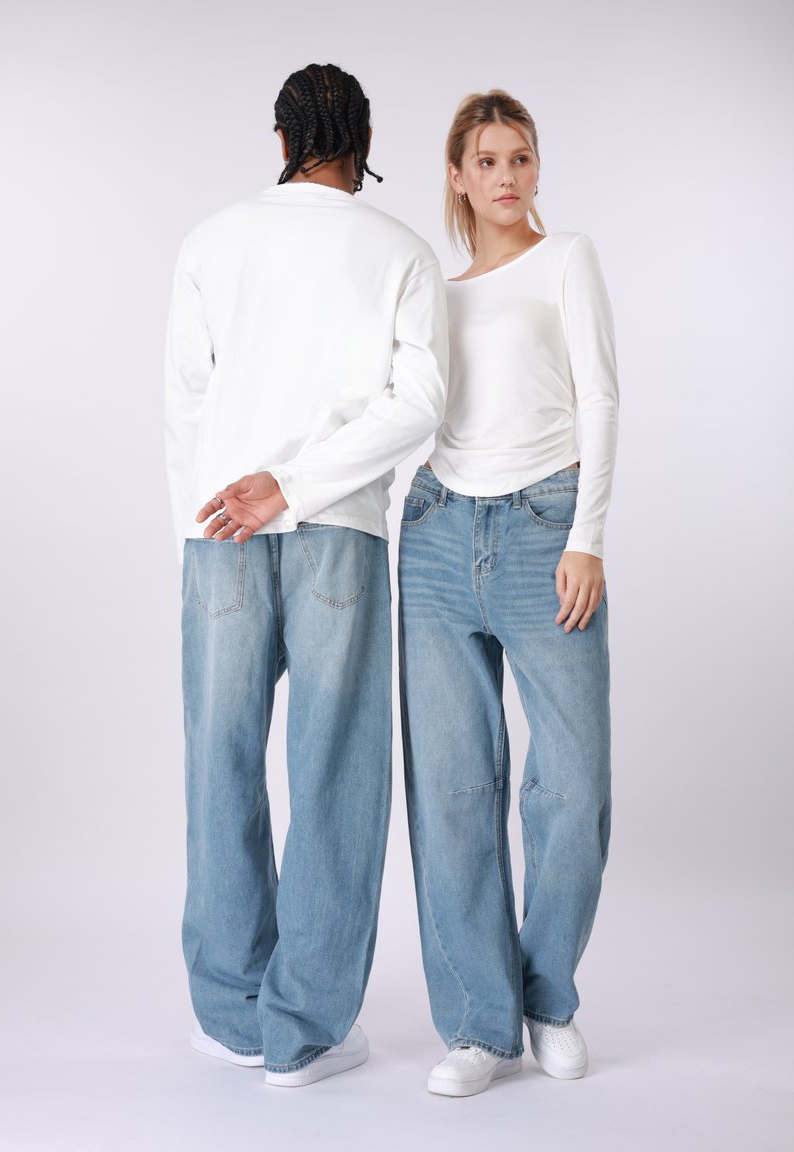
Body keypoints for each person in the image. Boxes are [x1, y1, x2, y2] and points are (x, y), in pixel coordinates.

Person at [164, 62, 447, 1087]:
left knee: (220, 764)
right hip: (339, 531)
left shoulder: (211, 239)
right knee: (335, 772)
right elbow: (419, 402)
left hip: (219, 533)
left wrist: (212, 520)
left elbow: (186, 402)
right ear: (363, 143)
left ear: (281, 139)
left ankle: (231, 1015)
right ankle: (305, 1031)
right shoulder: (400, 250)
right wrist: (294, 486)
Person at [398, 89, 618, 1097]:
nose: (504, 176)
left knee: (570, 786)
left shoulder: (565, 258)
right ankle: (479, 1024)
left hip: (543, 531)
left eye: (519, 157)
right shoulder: (434, 293)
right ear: (456, 175)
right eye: (485, 160)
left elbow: (599, 394)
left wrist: (586, 537)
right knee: (453, 789)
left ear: (535, 169)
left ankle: (549, 998)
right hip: (438, 534)